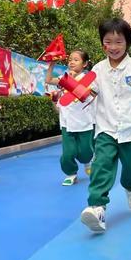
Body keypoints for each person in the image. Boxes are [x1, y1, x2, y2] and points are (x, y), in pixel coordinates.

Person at [80, 18, 131, 233]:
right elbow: (90, 93)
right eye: (108, 42)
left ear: (127, 43)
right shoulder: (97, 69)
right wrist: (77, 94)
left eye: (118, 42)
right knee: (101, 166)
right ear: (102, 43)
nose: (113, 47)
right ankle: (97, 207)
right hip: (106, 128)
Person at [45, 50, 95, 186]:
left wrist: (70, 82)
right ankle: (71, 173)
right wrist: (51, 65)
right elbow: (48, 80)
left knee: (85, 152)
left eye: (76, 60)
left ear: (84, 64)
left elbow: (86, 96)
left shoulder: (89, 79)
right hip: (67, 122)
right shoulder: (64, 77)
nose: (71, 62)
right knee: (68, 153)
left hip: (85, 122)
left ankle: (87, 162)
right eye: (70, 60)